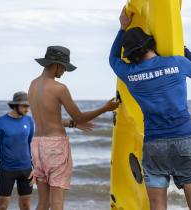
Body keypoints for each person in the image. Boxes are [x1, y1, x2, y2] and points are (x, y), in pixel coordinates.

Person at [109, 7, 191, 210]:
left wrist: (121, 29)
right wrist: (184, 50)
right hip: (184, 139)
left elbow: (112, 60)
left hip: (153, 144)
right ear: (150, 43)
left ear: (131, 55)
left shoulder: (130, 75)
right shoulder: (178, 62)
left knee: (157, 206)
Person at [28, 46, 120, 210]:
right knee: (56, 202)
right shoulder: (59, 88)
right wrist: (105, 108)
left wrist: (72, 124)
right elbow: (79, 116)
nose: (63, 72)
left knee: (43, 202)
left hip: (36, 146)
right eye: (63, 68)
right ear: (56, 65)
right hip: (55, 147)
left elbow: (49, 118)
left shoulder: (33, 85)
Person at [0, 91, 35, 210]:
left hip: (26, 170)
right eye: (24, 106)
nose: (27, 109)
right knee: (2, 206)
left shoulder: (29, 121)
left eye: (28, 106)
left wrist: (36, 168)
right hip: (6, 170)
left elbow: (31, 145)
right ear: (15, 105)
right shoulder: (0, 122)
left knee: (26, 206)